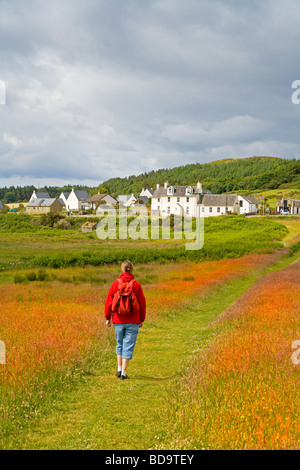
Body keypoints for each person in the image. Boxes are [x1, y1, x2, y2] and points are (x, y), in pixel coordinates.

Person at [104, 260, 146, 380]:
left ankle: (118, 368)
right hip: (133, 320)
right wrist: (141, 319)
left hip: (117, 320)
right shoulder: (136, 285)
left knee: (120, 344)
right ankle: (123, 372)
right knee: (128, 345)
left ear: (122, 270)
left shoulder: (115, 284)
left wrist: (108, 318)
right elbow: (142, 304)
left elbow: (109, 302)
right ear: (132, 270)